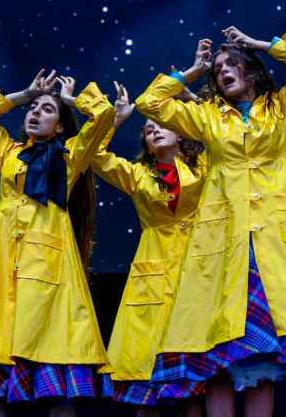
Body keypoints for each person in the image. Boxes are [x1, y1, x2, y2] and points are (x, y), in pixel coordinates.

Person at [136, 27, 286, 417]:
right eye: (217, 69)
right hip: (224, 241)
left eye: (231, 64)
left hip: (275, 240)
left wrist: (258, 44)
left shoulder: (282, 107)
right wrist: (193, 71)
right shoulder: (205, 116)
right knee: (218, 351)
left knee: (263, 360)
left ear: (251, 71)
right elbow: (149, 101)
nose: (222, 72)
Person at [0, 70, 114, 417]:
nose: (35, 113)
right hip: (2, 268)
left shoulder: (71, 156)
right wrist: (25, 93)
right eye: (33, 109)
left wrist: (68, 100)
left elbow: (103, 115)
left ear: (60, 126)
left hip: (50, 274)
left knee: (54, 374)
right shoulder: (9, 153)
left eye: (47, 110)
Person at [95, 82, 206, 417]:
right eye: (147, 129)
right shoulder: (137, 176)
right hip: (152, 276)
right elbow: (93, 154)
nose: (154, 129)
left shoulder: (207, 167)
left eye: (160, 123)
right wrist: (116, 119)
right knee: (143, 377)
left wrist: (192, 100)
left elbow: (225, 138)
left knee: (195, 385)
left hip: (198, 272)